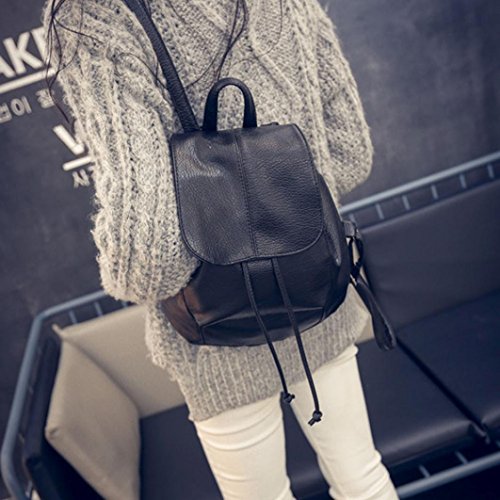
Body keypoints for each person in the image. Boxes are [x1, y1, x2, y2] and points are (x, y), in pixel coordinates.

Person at [41, 0, 399, 498]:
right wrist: (288, 224)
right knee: (362, 478)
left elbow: (149, 256)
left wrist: (221, 246)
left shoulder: (94, 15)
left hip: (216, 328)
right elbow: (349, 153)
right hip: (315, 292)